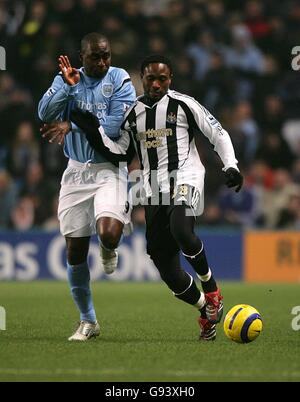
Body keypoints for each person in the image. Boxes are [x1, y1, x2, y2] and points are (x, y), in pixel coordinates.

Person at [71, 55, 243, 341]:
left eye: (162, 78)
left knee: (181, 229)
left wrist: (231, 165)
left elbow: (218, 133)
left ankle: (212, 289)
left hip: (186, 177)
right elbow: (120, 152)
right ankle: (206, 311)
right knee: (167, 268)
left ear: (170, 79)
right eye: (150, 78)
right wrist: (94, 130)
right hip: (152, 189)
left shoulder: (184, 104)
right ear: (143, 78)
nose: (156, 84)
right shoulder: (133, 113)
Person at [38, 33, 136, 341]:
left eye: (106, 55)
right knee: (75, 251)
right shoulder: (67, 79)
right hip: (77, 173)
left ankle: (109, 247)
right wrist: (68, 89)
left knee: (108, 232)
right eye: (96, 57)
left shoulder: (120, 79)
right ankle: (88, 321)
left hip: (109, 169)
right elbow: (44, 113)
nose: (103, 61)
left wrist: (71, 125)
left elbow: (112, 127)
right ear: (82, 57)